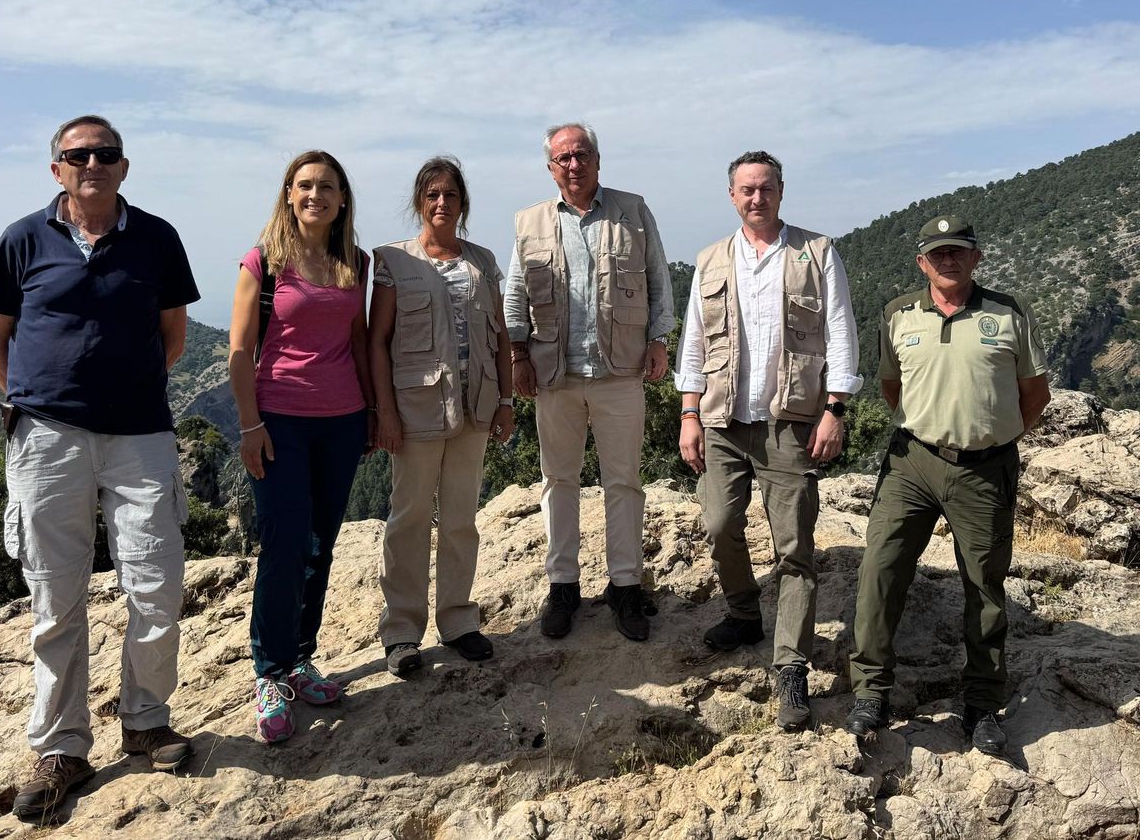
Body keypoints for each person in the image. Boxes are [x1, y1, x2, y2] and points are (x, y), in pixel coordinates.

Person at [0, 115, 198, 817]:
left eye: (105, 154)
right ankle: (61, 748)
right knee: (56, 597)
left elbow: (173, 335)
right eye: (78, 156)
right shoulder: (23, 239)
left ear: (124, 168)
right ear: (57, 171)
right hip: (47, 439)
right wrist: (38, 401)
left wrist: (124, 392)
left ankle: (146, 721)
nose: (92, 164)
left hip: (139, 436)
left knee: (157, 582)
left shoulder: (157, 238)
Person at [845, 215, 1051, 757]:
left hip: (985, 468)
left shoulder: (1009, 312)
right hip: (912, 461)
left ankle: (982, 704)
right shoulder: (898, 315)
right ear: (922, 262)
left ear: (976, 257)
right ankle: (870, 693)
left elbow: (1035, 393)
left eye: (958, 251)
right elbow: (893, 389)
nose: (949, 260)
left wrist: (993, 435)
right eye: (938, 253)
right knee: (880, 569)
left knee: (984, 585)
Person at [676, 151, 862, 730]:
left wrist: (835, 409)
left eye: (766, 188)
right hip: (723, 419)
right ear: (732, 196)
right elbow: (693, 342)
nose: (757, 198)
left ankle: (791, 667)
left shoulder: (816, 252)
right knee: (718, 523)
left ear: (782, 191)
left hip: (791, 420)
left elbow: (840, 331)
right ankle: (742, 613)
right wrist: (688, 413)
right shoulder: (711, 259)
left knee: (794, 549)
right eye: (746, 190)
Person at [503, 123, 676, 643]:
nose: (573, 165)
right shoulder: (529, 222)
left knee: (622, 481)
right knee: (559, 481)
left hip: (619, 370)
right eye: (563, 158)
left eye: (581, 155)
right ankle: (563, 584)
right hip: (554, 374)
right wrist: (517, 355)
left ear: (597, 161)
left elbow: (657, 278)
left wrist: (658, 340)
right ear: (550, 168)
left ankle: (625, 584)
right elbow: (514, 293)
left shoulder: (633, 211)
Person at [227, 150, 374, 744]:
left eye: (328, 187)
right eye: (306, 185)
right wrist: (248, 425)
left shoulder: (353, 263)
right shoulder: (264, 261)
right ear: (289, 194)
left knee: (320, 546)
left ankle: (301, 658)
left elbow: (360, 341)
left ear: (342, 199)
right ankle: (270, 673)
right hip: (279, 420)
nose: (316, 194)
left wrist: (373, 413)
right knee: (284, 547)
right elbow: (240, 350)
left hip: (342, 420)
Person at [369, 157, 515, 677]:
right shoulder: (392, 260)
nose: (441, 203)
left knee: (460, 519)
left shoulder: (482, 261)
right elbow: (377, 340)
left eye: (450, 195)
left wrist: (505, 402)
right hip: (415, 408)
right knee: (408, 518)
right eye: (431, 194)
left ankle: (457, 621)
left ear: (462, 203)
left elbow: (499, 338)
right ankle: (402, 631)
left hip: (476, 405)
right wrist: (383, 410)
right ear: (419, 201)